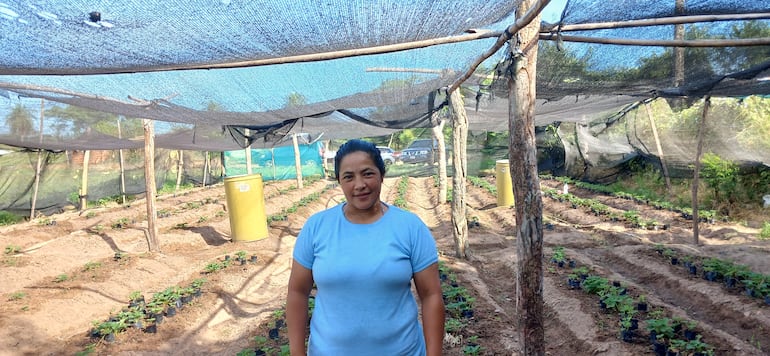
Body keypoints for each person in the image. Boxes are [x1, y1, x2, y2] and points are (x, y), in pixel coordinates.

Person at [287, 139, 445, 355]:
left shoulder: (410, 227)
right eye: (349, 177)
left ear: (382, 174)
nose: (359, 184)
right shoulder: (317, 227)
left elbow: (431, 295)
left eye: (367, 173)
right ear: (339, 181)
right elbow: (297, 291)